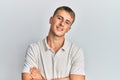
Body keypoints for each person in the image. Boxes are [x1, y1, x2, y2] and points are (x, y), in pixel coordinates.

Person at [22, 6, 85, 80]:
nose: (62, 23)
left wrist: (40, 78)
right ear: (51, 20)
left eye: (67, 22)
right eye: (59, 18)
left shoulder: (76, 52)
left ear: (69, 29)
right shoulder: (33, 49)